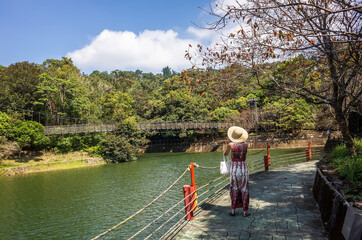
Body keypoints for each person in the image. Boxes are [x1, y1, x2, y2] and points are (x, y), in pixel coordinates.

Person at [223, 126, 251, 217]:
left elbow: (225, 153)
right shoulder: (245, 145)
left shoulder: (230, 145)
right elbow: (244, 155)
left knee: (234, 188)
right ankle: (245, 211)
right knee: (244, 189)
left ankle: (232, 210)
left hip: (234, 169)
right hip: (243, 168)